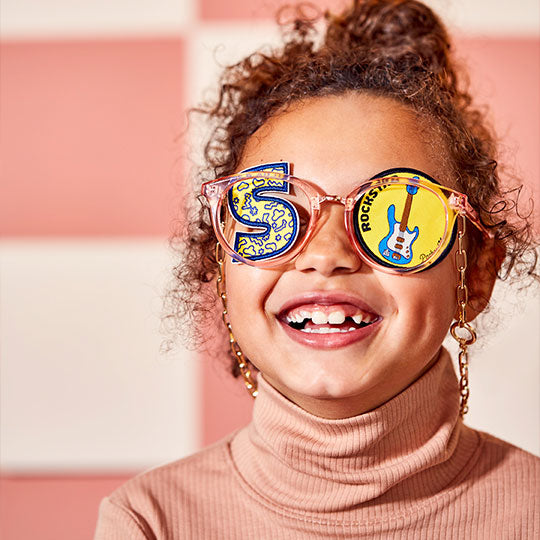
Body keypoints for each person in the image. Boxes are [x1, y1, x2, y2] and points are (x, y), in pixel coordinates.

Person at [95, 0, 539, 537]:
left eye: (396, 213)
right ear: (221, 266)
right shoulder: (152, 520)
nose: (326, 255)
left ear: (474, 276)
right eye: (272, 212)